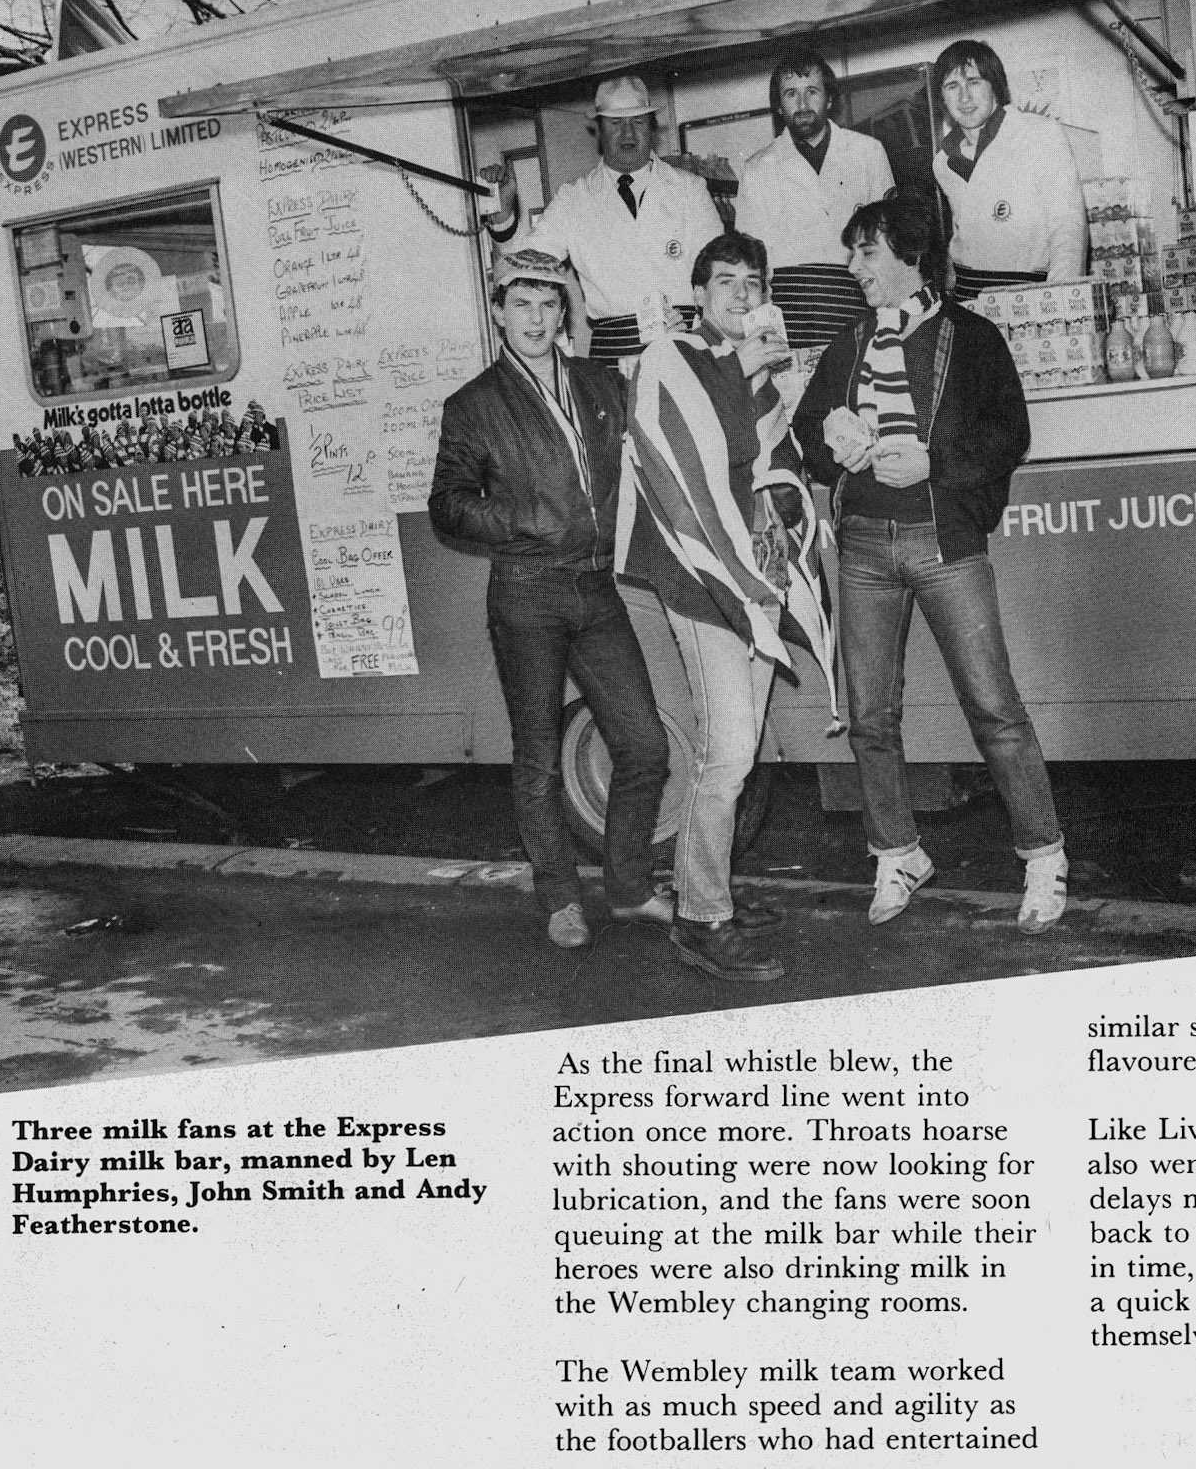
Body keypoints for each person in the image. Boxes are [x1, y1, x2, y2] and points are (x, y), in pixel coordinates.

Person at [792, 193, 1070, 935]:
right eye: (852, 253)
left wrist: (931, 462)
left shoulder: (971, 338)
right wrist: (834, 438)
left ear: (911, 255)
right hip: (862, 547)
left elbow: (1009, 433)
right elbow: (804, 435)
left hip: (945, 545)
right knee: (871, 718)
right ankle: (896, 853)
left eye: (867, 252)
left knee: (994, 710)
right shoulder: (847, 345)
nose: (854, 268)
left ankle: (1044, 858)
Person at [427, 246, 672, 950]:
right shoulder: (471, 405)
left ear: (563, 313)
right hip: (527, 590)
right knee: (536, 755)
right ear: (499, 313)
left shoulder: (599, 382)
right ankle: (560, 897)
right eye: (521, 306)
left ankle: (627, 889)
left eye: (548, 305)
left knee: (644, 743)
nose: (535, 319)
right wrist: (521, 521)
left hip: (596, 585)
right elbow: (447, 505)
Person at [620, 229, 839, 984]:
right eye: (725, 282)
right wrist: (747, 370)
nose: (740, 296)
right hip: (706, 584)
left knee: (734, 755)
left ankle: (700, 890)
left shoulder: (757, 368)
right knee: (729, 754)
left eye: (753, 282)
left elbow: (774, 465)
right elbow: (701, 456)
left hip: (753, 578)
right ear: (698, 295)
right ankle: (700, 919)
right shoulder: (671, 358)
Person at [487, 72, 724, 367]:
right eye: (615, 123)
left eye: (637, 122)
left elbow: (719, 277)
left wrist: (700, 336)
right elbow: (524, 266)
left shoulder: (690, 190)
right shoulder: (574, 198)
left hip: (686, 343)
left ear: (652, 128)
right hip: (612, 356)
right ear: (598, 129)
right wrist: (503, 217)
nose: (627, 134)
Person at [736, 41, 895, 349]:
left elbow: (888, 243)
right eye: (791, 94)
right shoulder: (756, 169)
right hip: (792, 316)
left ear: (830, 99)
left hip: (858, 301)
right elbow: (750, 263)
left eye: (812, 91)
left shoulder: (868, 152)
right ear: (779, 107)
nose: (802, 103)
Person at [929, 38, 1088, 303]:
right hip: (966, 296)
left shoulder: (1039, 134)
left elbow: (1068, 226)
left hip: (1026, 293)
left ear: (995, 86)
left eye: (974, 82)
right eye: (952, 86)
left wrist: (1061, 299)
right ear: (942, 98)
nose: (964, 97)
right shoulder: (943, 160)